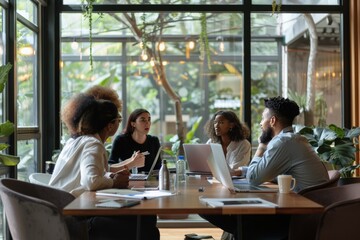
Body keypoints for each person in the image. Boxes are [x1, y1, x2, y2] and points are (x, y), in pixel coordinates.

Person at [201, 96, 329, 240]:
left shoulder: (283, 142)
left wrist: (261, 147)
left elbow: (254, 178)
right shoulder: (291, 139)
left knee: (215, 212)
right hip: (307, 210)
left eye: (263, 118)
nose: (261, 123)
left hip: (299, 217)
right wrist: (240, 171)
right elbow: (267, 170)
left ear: (272, 121)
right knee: (237, 222)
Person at [49, 94, 160, 240]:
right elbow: (91, 181)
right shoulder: (93, 144)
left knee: (145, 219)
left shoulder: (76, 141)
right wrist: (115, 182)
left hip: (59, 213)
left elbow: (94, 172)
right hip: (75, 218)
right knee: (145, 223)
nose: (119, 124)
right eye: (118, 121)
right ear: (110, 125)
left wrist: (110, 175)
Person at [109, 108, 162, 173]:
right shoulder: (121, 140)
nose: (147, 123)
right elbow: (110, 165)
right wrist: (131, 162)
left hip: (150, 181)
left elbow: (158, 167)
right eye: (143, 120)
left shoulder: (154, 141)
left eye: (149, 119)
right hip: (126, 181)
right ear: (133, 123)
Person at [204, 110, 251, 176]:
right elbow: (205, 165)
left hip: (236, 183)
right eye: (215, 122)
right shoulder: (211, 142)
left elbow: (235, 170)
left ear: (231, 125)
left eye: (221, 122)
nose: (216, 126)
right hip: (214, 179)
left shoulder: (244, 145)